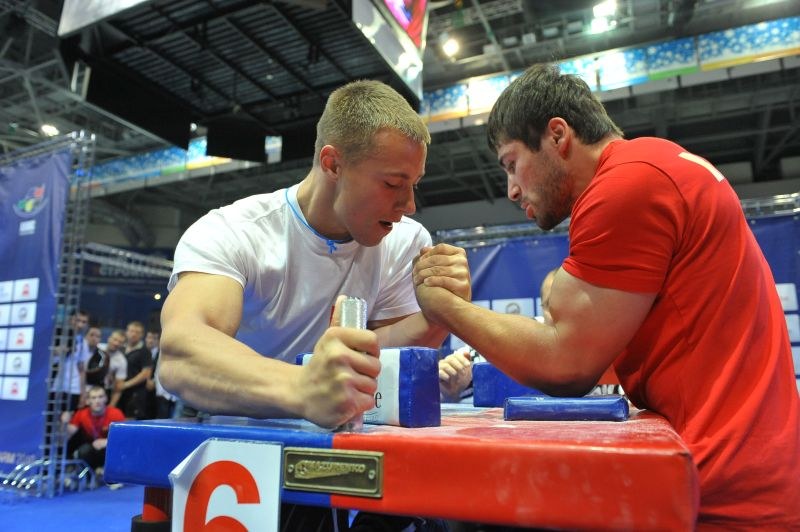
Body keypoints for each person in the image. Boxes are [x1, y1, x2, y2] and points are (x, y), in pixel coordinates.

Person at [413, 63, 800, 529]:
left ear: (558, 136)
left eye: (512, 163)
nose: (512, 189)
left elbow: (566, 365)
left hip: (724, 492)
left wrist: (446, 306)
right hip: (740, 474)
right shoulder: (654, 164)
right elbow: (590, 350)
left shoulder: (626, 184)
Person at [159, 79, 470, 428]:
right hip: (231, 440)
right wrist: (303, 387)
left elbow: (385, 354)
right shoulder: (234, 231)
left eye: (414, 184)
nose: (409, 205)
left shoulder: (405, 241)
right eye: (393, 184)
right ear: (333, 164)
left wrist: (443, 312)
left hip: (341, 438)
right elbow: (180, 353)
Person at [64, 385, 125, 472]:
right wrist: (65, 423)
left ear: (106, 399)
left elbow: (125, 439)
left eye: (100, 397)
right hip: (91, 448)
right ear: (88, 401)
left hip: (109, 449)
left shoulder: (116, 413)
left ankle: (113, 474)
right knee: (83, 450)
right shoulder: (81, 414)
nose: (97, 401)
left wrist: (107, 442)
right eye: (93, 398)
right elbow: (67, 435)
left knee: (115, 449)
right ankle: (89, 476)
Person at [118, 321, 153, 419]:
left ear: (142, 335)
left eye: (137, 332)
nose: (133, 334)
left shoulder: (145, 351)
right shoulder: (121, 348)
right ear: (127, 332)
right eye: (131, 331)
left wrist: (126, 385)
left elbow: (146, 373)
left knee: (130, 421)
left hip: (136, 394)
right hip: (120, 393)